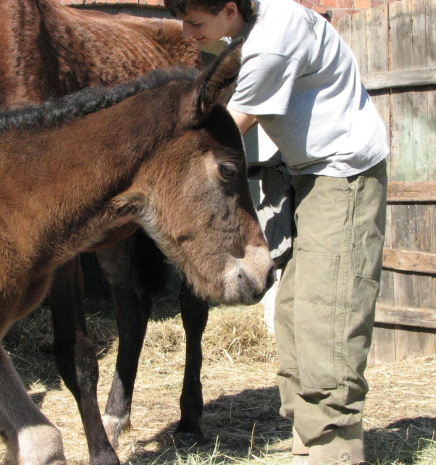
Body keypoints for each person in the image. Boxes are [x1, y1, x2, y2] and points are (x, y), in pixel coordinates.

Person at [163, 1, 389, 464]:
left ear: (229, 9)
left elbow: (218, 135)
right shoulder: (257, 20)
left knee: (329, 312)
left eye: (194, 23)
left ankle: (336, 451)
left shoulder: (269, 45)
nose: (186, 33)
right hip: (307, 173)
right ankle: (307, 443)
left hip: (343, 174)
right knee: (292, 311)